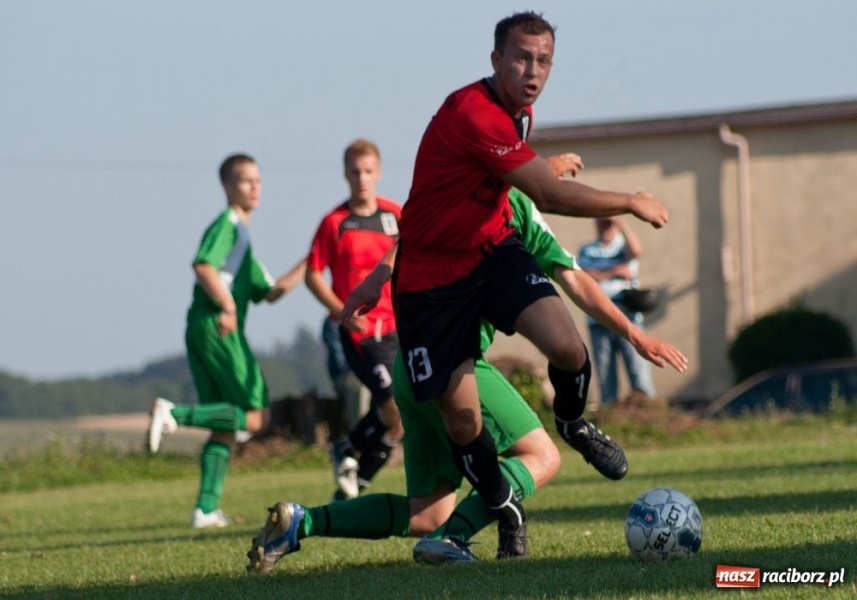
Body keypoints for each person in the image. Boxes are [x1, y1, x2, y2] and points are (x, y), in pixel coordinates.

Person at [245, 184, 687, 572]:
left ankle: (303, 522)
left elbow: (412, 237)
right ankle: (454, 538)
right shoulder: (510, 206)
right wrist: (633, 332)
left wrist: (631, 333)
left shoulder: (472, 199)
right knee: (542, 456)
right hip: (457, 365)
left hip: (410, 366)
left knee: (425, 514)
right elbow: (571, 273)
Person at [384, 10, 678, 554]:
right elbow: (547, 196)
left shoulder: (519, 114)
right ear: (495, 60)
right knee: (466, 425)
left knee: (568, 348)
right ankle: (504, 510)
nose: (533, 70)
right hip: (430, 286)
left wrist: (548, 163)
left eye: (544, 60)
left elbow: (517, 175)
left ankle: (573, 423)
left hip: (492, 254)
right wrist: (629, 201)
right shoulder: (474, 113)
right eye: (521, 57)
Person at [147, 153, 305, 528]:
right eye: (245, 180)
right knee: (256, 415)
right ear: (227, 186)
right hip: (218, 325)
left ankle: (204, 510)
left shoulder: (244, 239)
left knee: (225, 422)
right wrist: (228, 305)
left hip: (206, 326)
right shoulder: (229, 225)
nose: (254, 187)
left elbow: (270, 292)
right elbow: (203, 265)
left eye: (257, 180)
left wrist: (312, 260)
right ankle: (173, 413)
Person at [305, 139, 403, 500]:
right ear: (346, 174)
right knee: (392, 402)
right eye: (355, 171)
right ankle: (347, 453)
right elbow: (313, 275)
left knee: (400, 416)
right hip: (360, 334)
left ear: (377, 173)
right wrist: (341, 312)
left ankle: (354, 476)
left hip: (398, 328)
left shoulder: (396, 216)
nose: (361, 178)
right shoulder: (334, 223)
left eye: (367, 171)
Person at [577, 217, 656, 408]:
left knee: (639, 372)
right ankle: (611, 416)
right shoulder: (587, 249)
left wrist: (620, 221)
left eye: (609, 223)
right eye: (602, 222)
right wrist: (614, 271)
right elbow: (584, 276)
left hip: (628, 318)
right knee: (606, 377)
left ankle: (648, 412)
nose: (606, 227)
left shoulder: (623, 247)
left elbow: (637, 250)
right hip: (598, 321)